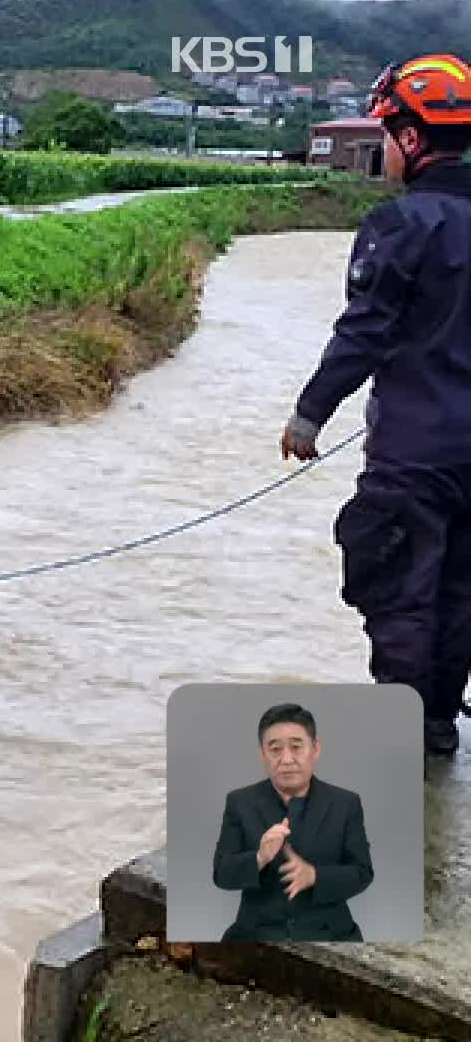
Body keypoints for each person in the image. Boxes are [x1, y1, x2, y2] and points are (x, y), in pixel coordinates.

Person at [280, 53, 471, 756]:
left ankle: (399, 737)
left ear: (413, 140)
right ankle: (436, 726)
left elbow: (365, 332)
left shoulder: (402, 224)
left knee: (400, 590)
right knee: (460, 593)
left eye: (388, 135)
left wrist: (310, 414)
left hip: (414, 454)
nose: (385, 150)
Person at [212, 703, 374, 942]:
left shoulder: (345, 803)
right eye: (275, 749)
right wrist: (260, 858)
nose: (286, 759)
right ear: (262, 755)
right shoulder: (240, 802)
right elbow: (222, 874)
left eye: (296, 747)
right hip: (256, 933)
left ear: (315, 749)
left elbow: (362, 872)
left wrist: (314, 876)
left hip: (331, 932)